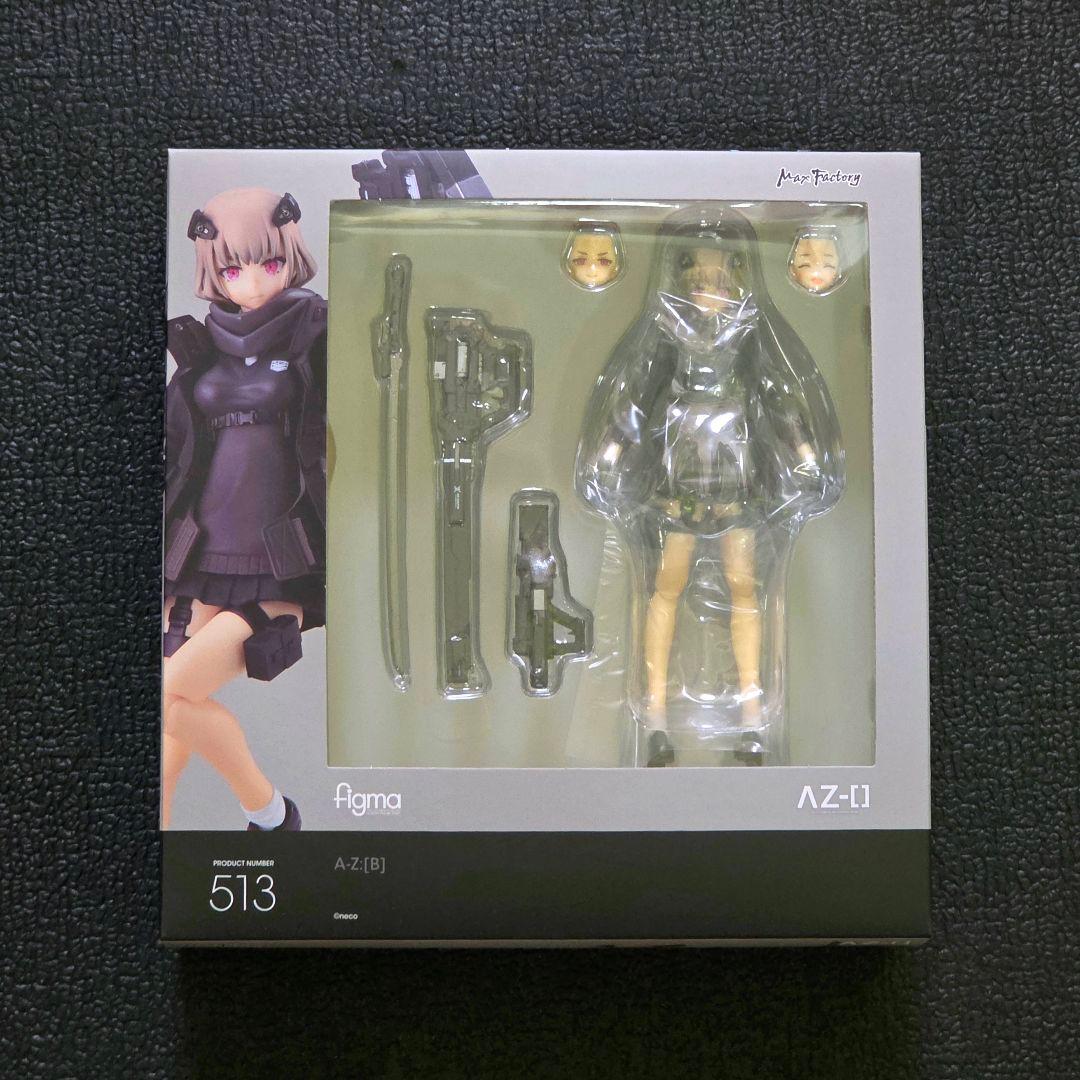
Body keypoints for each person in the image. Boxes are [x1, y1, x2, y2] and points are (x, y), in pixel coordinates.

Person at [575, 206, 844, 766]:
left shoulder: (749, 337)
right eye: (699, 279)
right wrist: (610, 452)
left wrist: (804, 453)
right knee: (664, 590)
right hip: (677, 480)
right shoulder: (666, 335)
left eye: (718, 279)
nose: (709, 289)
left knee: (745, 593)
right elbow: (635, 400)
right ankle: (655, 718)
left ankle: (751, 720)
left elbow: (779, 400)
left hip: (735, 478)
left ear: (735, 281)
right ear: (683, 280)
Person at [162, 187, 326, 828]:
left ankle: (271, 810)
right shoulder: (206, 346)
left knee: (168, 695)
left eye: (269, 263)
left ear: (290, 253)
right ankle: (165, 840)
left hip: (280, 564)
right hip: (202, 556)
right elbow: (181, 455)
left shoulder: (317, 335)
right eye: (233, 269)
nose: (252, 282)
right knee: (168, 729)